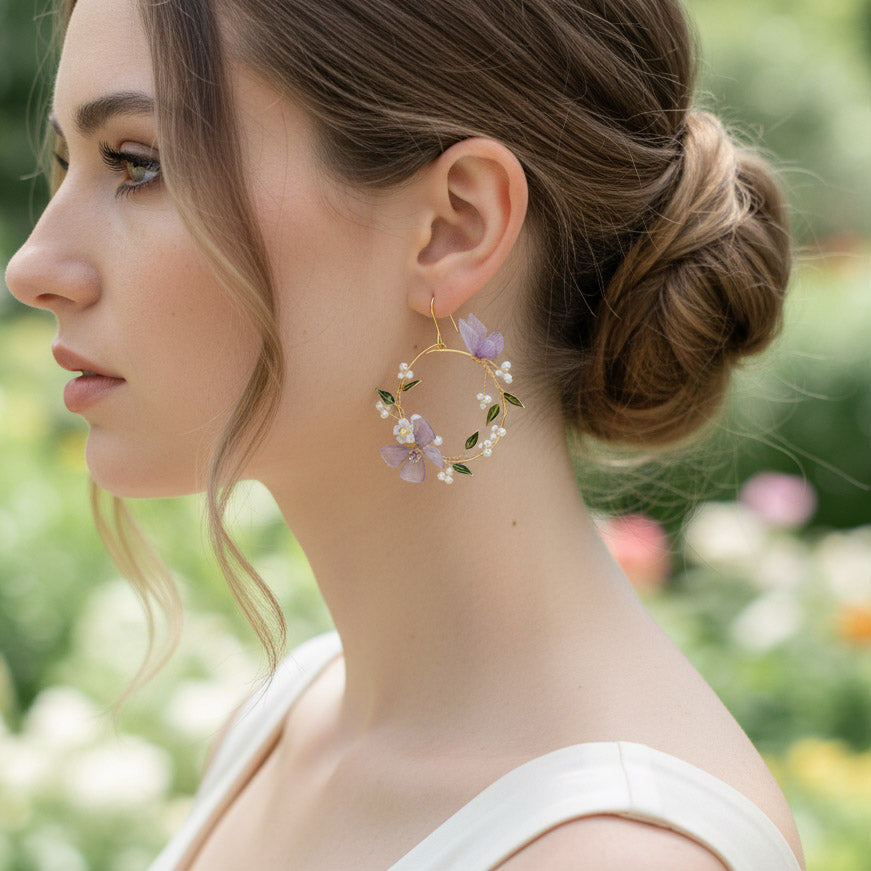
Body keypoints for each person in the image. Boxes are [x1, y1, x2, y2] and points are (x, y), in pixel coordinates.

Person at [5, 0, 806, 867]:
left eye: (136, 162)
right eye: (63, 162)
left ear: (454, 225)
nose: (33, 268)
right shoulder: (281, 726)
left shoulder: (618, 853)